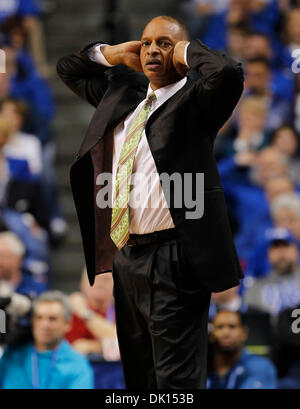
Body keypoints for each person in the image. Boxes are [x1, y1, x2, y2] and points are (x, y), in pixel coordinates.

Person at [57, 15, 244, 389]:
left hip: (176, 255)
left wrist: (185, 51)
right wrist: (112, 54)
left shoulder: (197, 100)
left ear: (179, 53)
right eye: (146, 43)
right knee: (140, 378)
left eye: (163, 43)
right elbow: (70, 70)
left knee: (176, 381)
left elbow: (227, 72)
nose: (153, 50)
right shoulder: (124, 95)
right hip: (127, 254)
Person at [0, 290, 94, 389]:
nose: (45, 325)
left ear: (67, 324)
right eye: (39, 317)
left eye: (52, 319)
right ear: (32, 321)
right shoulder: (12, 354)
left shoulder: (77, 365)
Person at [207, 310, 277, 389]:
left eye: (232, 327)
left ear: (244, 333)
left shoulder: (259, 365)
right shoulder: (202, 366)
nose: (226, 333)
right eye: (220, 327)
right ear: (211, 334)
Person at [66, 267, 117, 357]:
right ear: (82, 284)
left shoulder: (126, 311)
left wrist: (84, 312)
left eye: (106, 279)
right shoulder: (69, 311)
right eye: (93, 278)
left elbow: (124, 343)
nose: (99, 283)